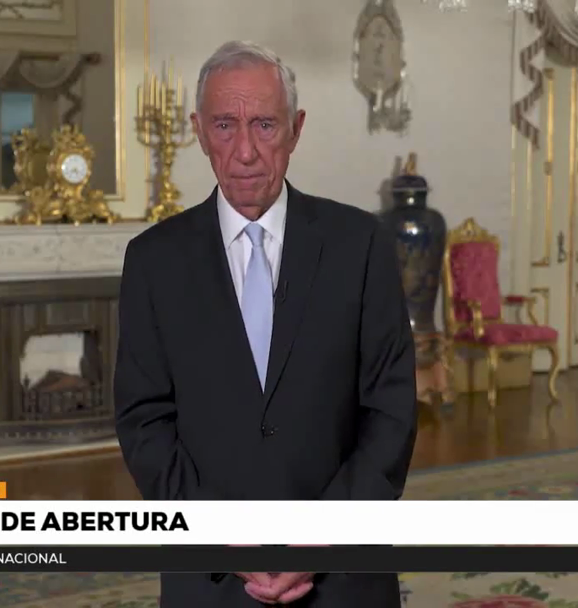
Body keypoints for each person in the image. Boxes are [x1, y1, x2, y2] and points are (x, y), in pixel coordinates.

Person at [114, 40, 417, 607]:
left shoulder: (360, 246)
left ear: (295, 130)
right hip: (210, 581)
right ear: (199, 132)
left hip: (344, 579)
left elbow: (391, 412)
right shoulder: (154, 261)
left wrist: (320, 538)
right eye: (225, 126)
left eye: (265, 125)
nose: (246, 151)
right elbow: (144, 422)